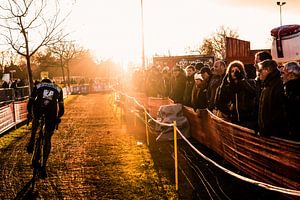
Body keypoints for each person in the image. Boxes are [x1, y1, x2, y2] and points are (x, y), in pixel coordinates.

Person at [26, 78, 64, 178]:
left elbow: (30, 103)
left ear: (43, 82)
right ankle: (43, 166)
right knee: (48, 138)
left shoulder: (37, 86)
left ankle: (32, 140)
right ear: (52, 83)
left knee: (35, 120)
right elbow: (62, 109)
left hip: (38, 109)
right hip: (51, 112)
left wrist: (29, 113)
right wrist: (58, 117)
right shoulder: (59, 89)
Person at [215, 60, 256, 128]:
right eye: (232, 71)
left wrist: (242, 80)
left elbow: (252, 93)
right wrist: (229, 112)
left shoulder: (249, 82)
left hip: (247, 120)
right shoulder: (228, 86)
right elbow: (219, 101)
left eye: (236, 71)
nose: (234, 73)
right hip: (233, 119)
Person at [257, 59, 288, 138]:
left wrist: (267, 130)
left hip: (274, 134)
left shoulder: (277, 85)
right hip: (267, 132)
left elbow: (279, 110)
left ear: (268, 70)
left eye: (261, 70)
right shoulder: (267, 85)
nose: (259, 73)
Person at [280, 61, 300, 141]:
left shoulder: (293, 91)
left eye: (283, 73)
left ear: (291, 75)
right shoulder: (289, 89)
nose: (281, 76)